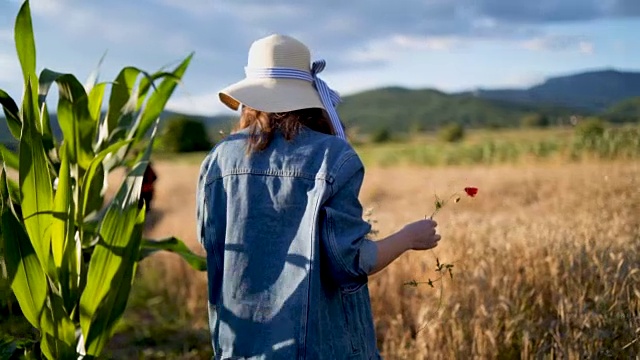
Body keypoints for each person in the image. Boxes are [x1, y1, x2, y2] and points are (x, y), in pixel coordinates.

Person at [196, 34, 441, 359]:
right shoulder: (333, 156)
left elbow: (213, 246)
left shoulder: (217, 160)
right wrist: (409, 237)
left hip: (239, 345)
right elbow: (350, 262)